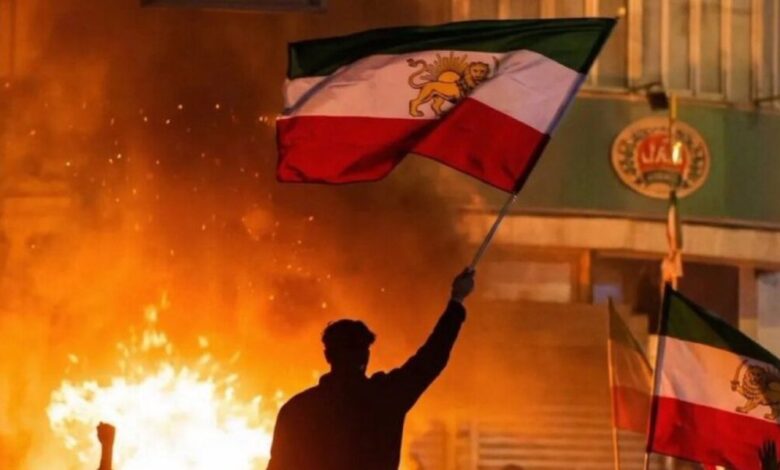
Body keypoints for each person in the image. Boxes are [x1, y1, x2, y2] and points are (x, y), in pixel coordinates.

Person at [267, 268, 476, 470]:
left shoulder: (297, 410)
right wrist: (456, 300)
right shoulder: (385, 397)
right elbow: (431, 358)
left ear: (328, 356)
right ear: (366, 355)